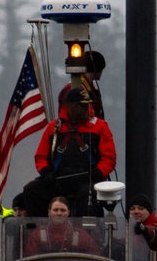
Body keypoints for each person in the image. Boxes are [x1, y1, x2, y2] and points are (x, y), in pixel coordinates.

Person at [21, 85, 117, 216]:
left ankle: (86, 234)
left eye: (87, 105)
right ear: (70, 106)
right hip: (58, 179)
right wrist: (46, 172)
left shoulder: (99, 126)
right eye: (81, 105)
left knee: (90, 194)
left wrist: (97, 173)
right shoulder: (53, 127)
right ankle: (40, 230)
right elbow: (40, 157)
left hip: (87, 180)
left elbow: (109, 158)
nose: (86, 109)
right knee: (31, 190)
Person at [23, 195, 100, 257]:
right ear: (49, 212)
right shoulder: (37, 235)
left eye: (63, 210)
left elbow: (93, 260)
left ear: (68, 212)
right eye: (55, 210)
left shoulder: (82, 236)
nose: (59, 213)